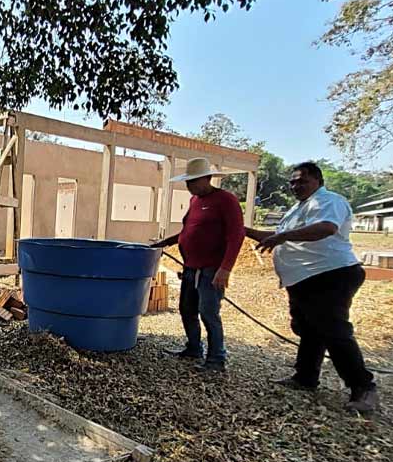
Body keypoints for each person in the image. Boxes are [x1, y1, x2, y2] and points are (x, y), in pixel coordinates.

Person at [245, 161, 378, 413]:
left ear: (318, 181)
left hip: (330, 274)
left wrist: (281, 237)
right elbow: (274, 235)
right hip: (303, 278)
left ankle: (363, 387)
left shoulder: (329, 201)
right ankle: (305, 377)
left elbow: (326, 228)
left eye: (301, 181)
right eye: (292, 182)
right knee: (308, 329)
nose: (295, 186)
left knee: (333, 331)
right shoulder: (297, 209)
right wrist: (243, 231)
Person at [152, 157, 245, 372]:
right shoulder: (195, 202)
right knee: (187, 309)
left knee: (208, 313)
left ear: (207, 178)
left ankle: (216, 358)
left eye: (193, 181)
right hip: (190, 268)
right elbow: (187, 232)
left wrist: (225, 269)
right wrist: (164, 243)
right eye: (187, 182)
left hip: (211, 269)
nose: (189, 186)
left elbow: (236, 236)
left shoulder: (226, 200)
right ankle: (194, 347)